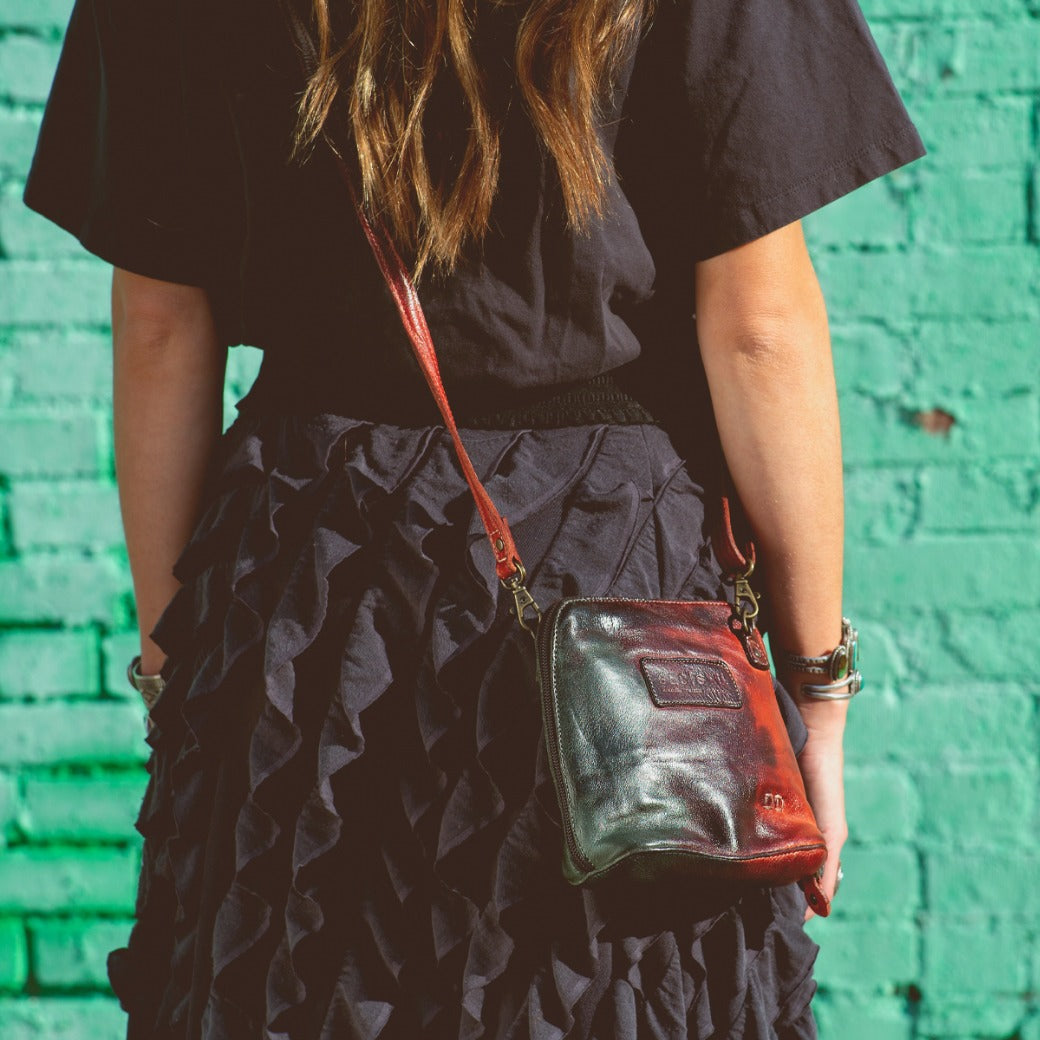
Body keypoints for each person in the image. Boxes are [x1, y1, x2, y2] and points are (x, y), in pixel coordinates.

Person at [24, 0, 925, 1035]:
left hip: (309, 584)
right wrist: (817, 692)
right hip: (612, 579)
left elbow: (160, 328)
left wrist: (177, 686)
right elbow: (757, 327)